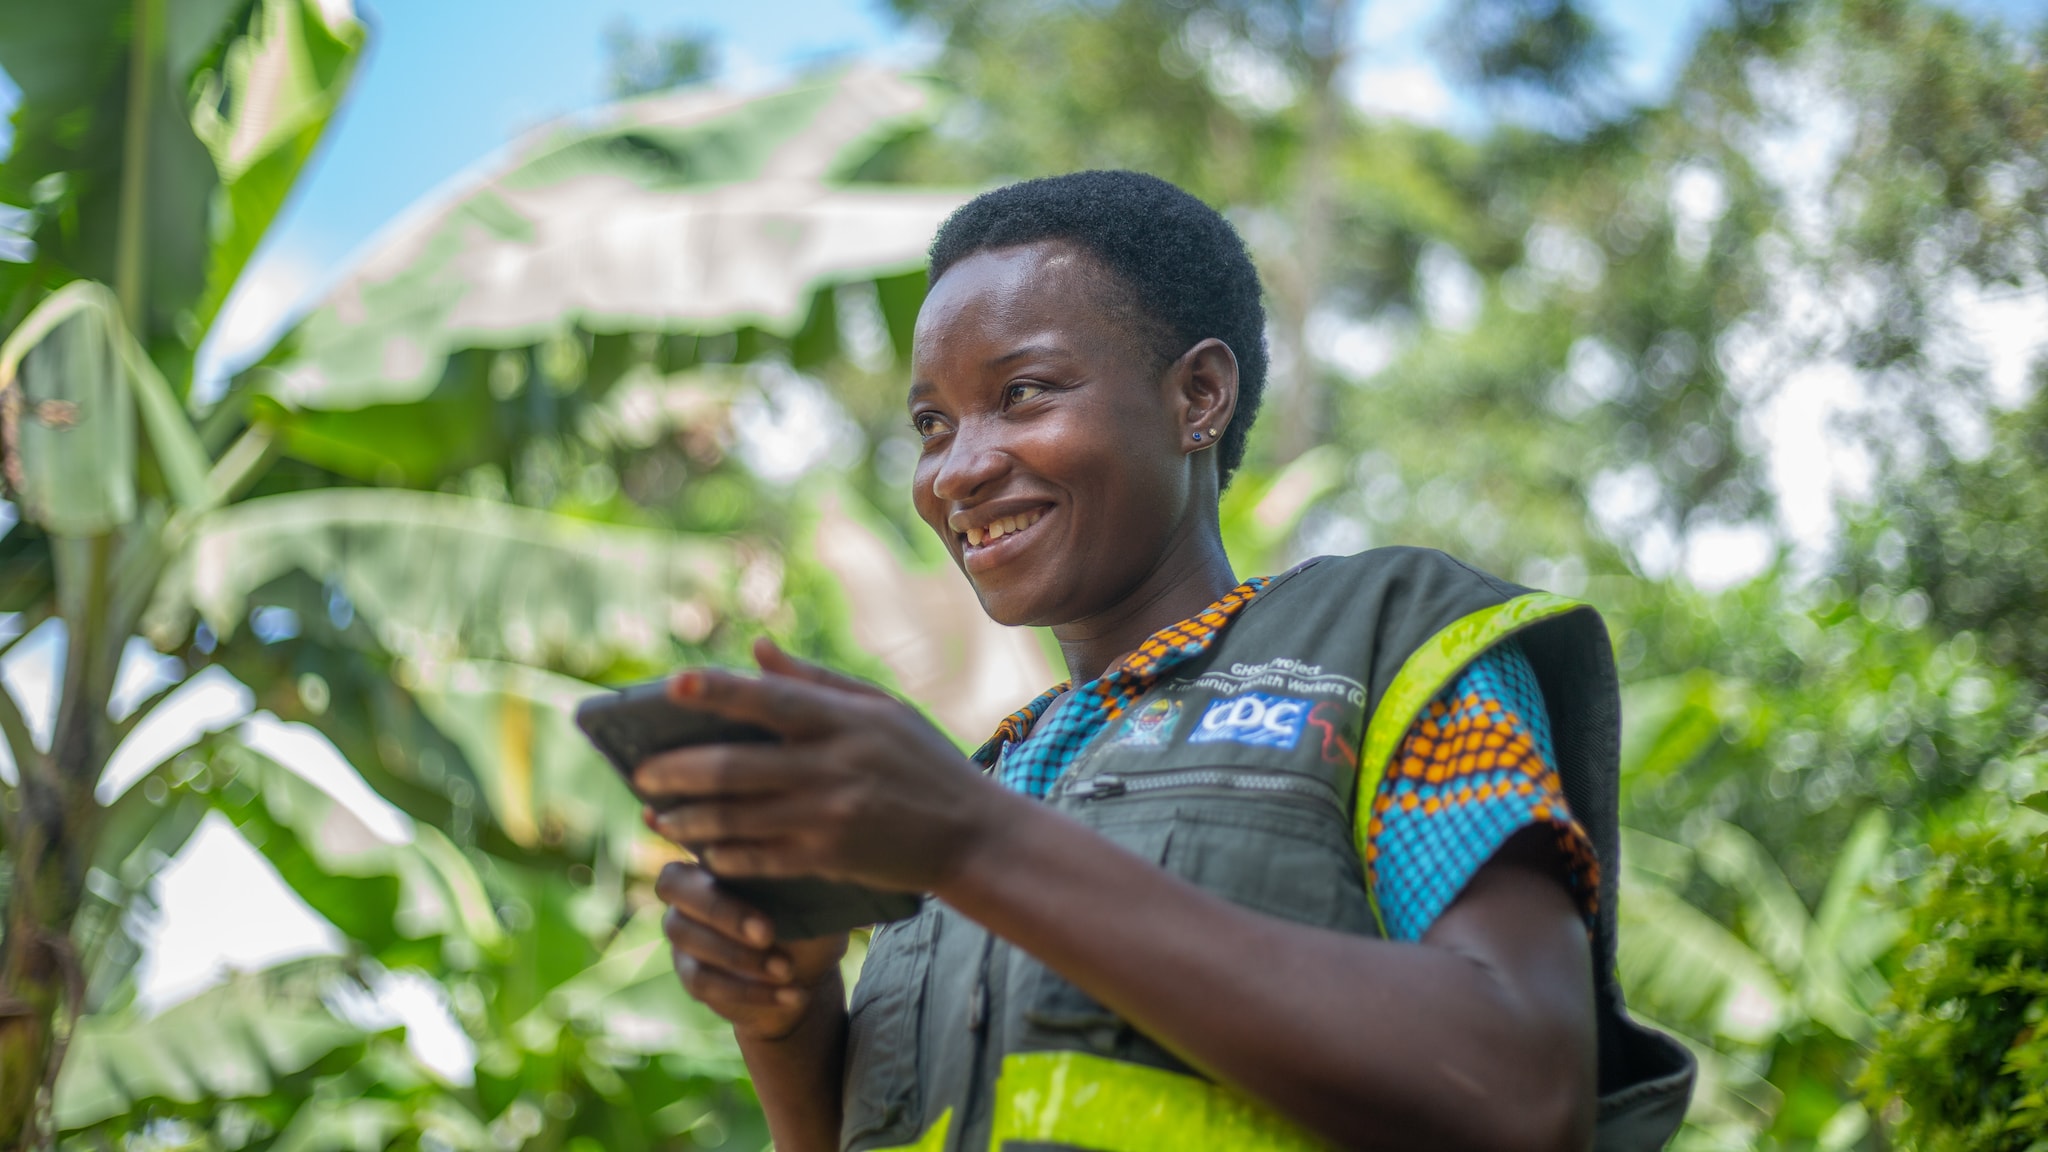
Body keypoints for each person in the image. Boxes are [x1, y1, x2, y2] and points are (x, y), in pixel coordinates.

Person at [633, 170, 1693, 1152]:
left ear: (1197, 398)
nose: (957, 469)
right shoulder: (975, 785)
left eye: (1023, 393)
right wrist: (787, 1017)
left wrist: (970, 844)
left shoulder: (1386, 644)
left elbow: (1517, 1090)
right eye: (929, 422)